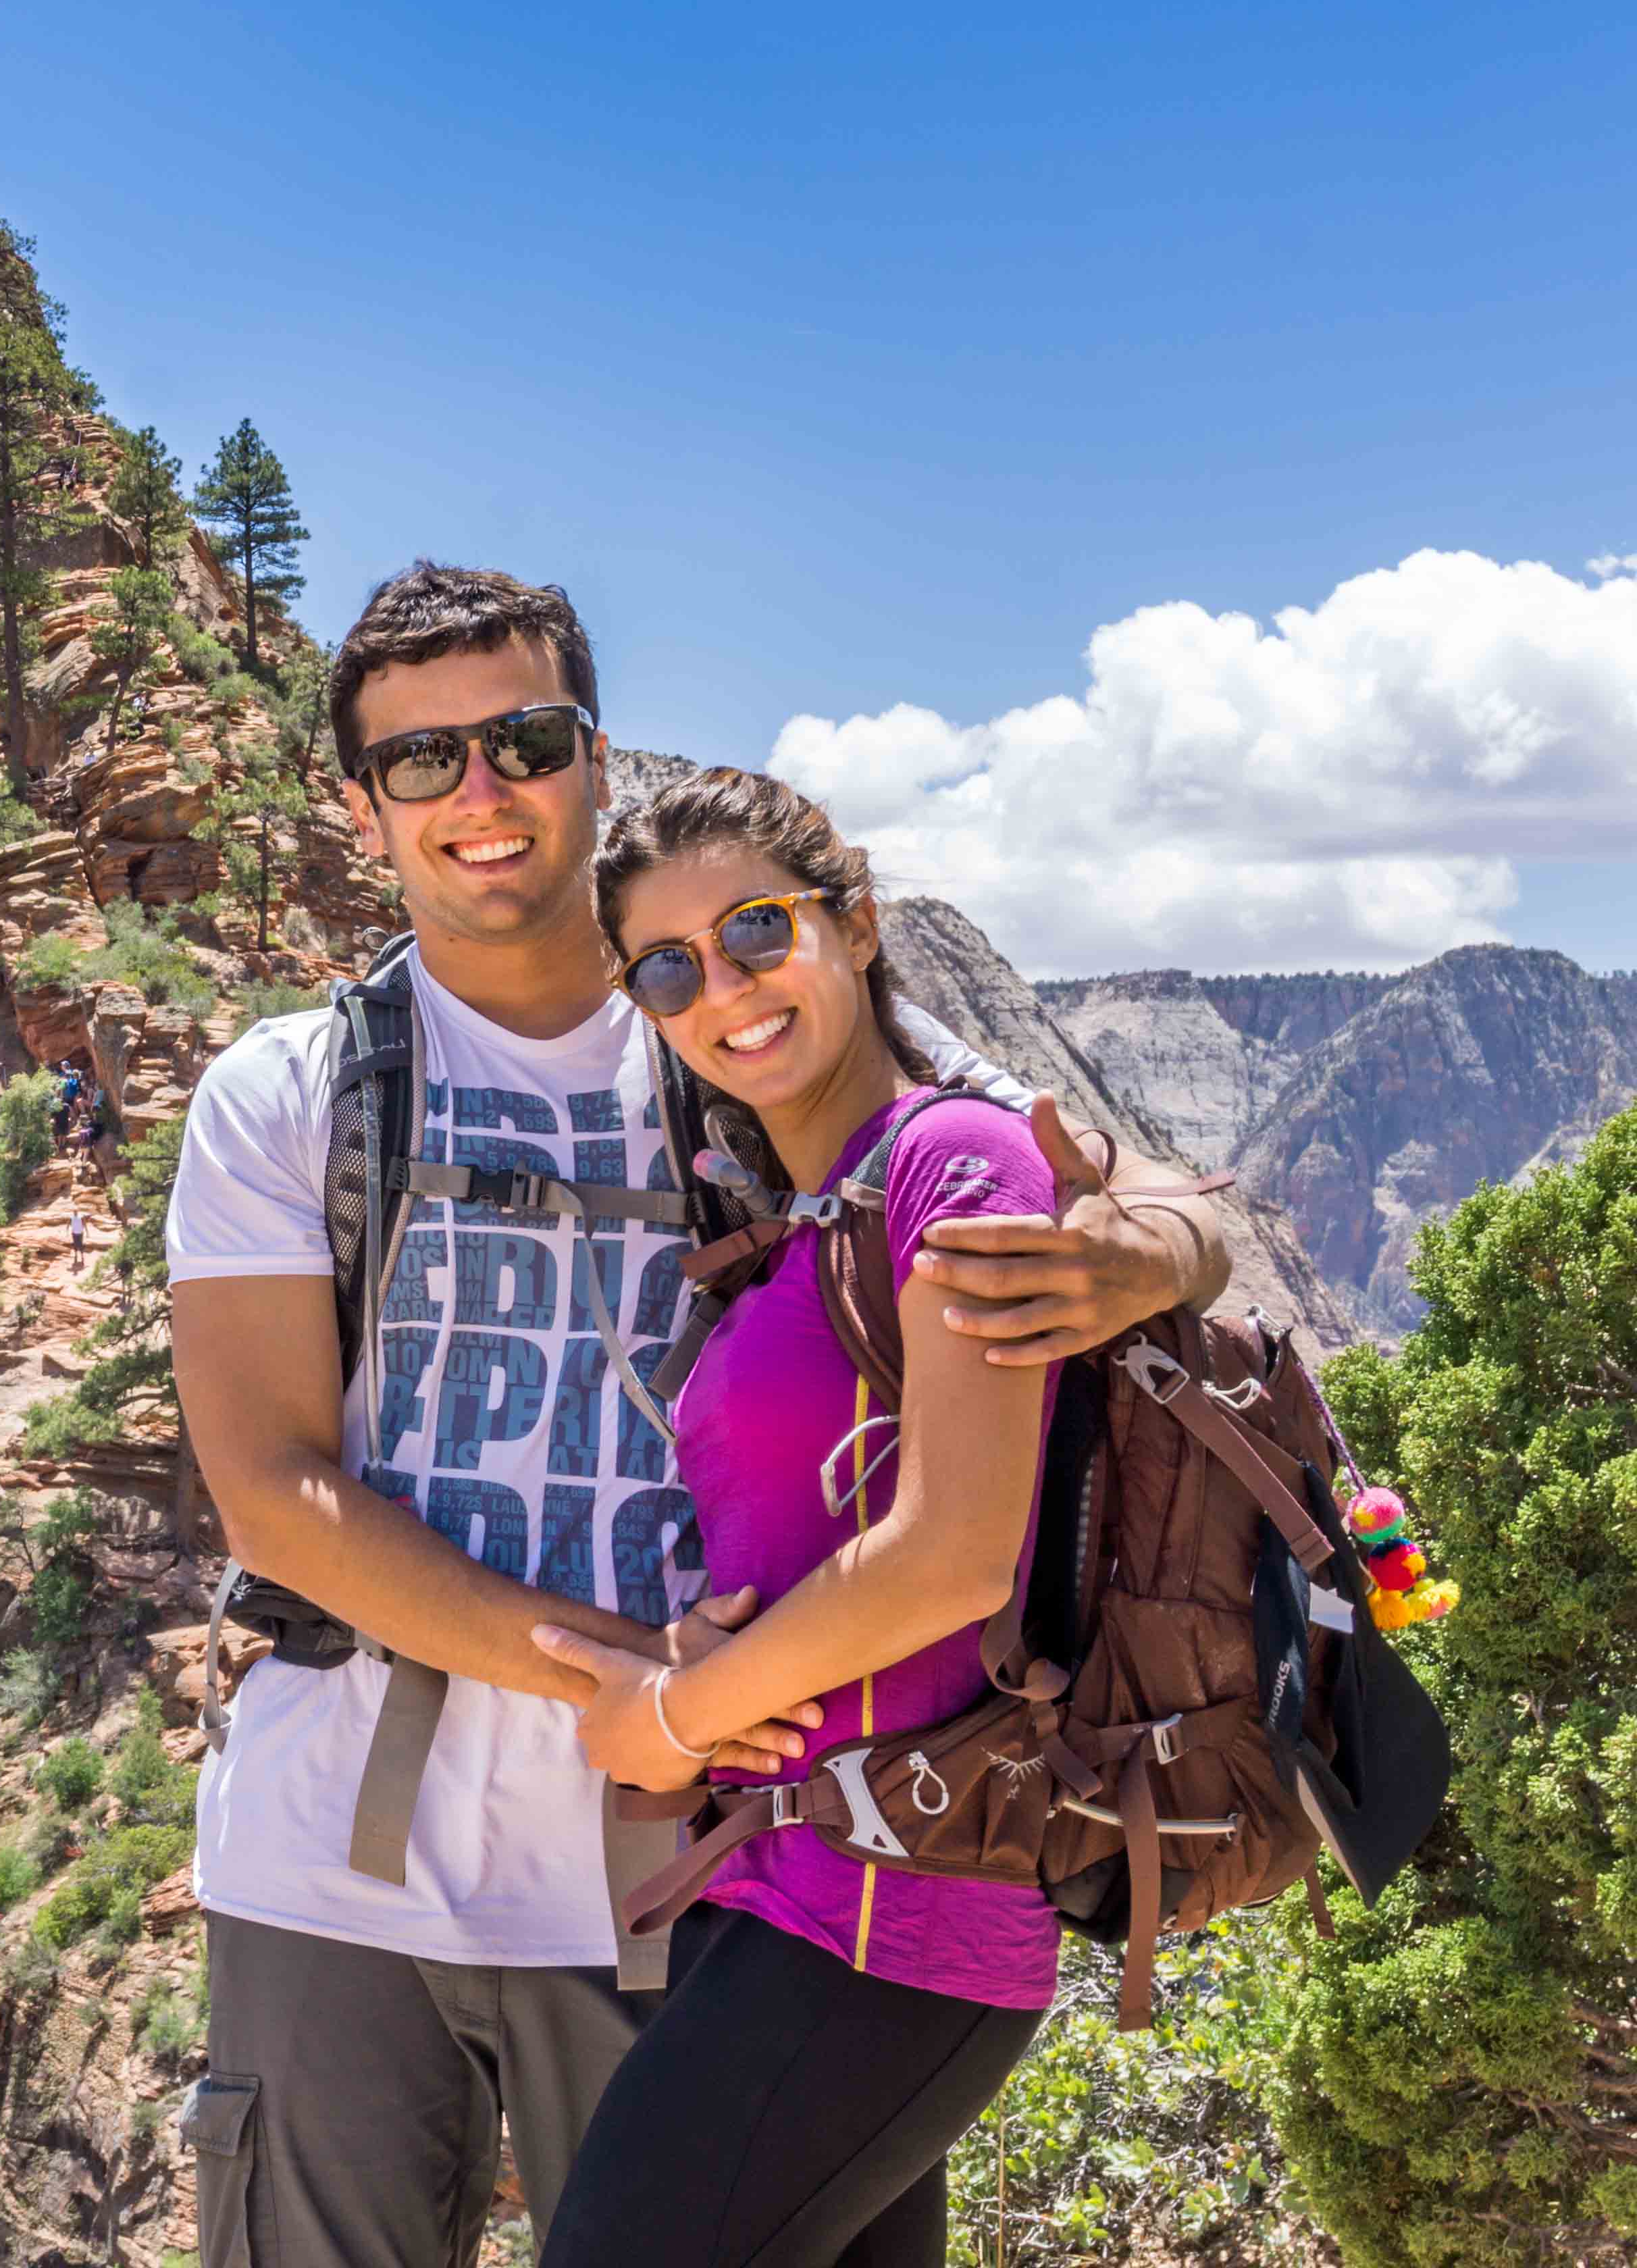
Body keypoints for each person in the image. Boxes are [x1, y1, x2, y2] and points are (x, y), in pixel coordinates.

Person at [165, 565, 1228, 2268]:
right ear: (362, 809)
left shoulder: (727, 1018)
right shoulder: (292, 1092)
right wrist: (638, 1684)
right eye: (421, 762)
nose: (480, 794)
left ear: (591, 751)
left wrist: (1172, 1242)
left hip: (703, 1874)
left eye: (521, 738)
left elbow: (1030, 1152)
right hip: (335, 1868)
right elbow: (277, 1495)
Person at [522, 770, 1062, 2268]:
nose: (724, 989)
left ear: (860, 921)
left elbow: (954, 1550)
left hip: (897, 1911)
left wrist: (676, 1714)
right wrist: (709, 1639)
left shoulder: (955, 1161)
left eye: (758, 929)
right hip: (783, 1893)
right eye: (670, 967)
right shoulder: (796, 1215)